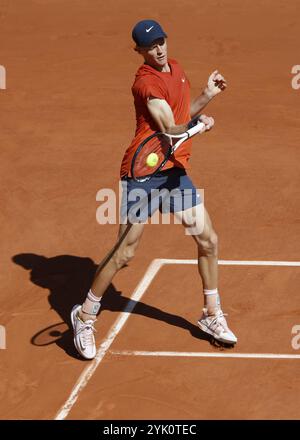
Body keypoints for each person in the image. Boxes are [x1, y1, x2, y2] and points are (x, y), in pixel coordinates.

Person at [71, 19, 237, 360]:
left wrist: (207, 96)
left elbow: (181, 115)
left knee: (208, 239)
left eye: (161, 41)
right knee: (125, 253)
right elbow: (171, 129)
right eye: (151, 46)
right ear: (140, 52)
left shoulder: (175, 68)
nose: (159, 49)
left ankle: (211, 313)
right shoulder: (145, 84)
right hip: (142, 173)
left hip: (174, 172)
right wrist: (196, 129)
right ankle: (85, 315)